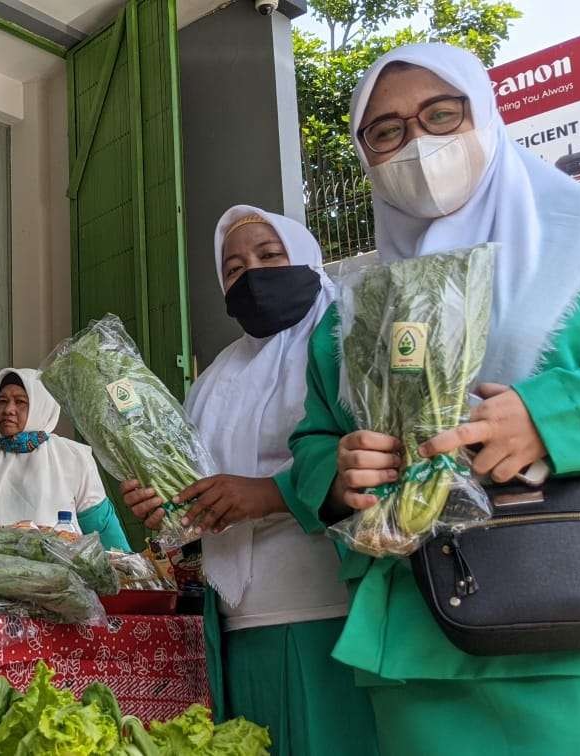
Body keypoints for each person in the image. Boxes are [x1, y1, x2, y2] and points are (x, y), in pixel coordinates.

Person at [288, 43, 580, 756]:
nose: (418, 145)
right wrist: (337, 475)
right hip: (422, 641)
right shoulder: (352, 309)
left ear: (485, 117)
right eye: (387, 131)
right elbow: (312, 438)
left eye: (441, 114)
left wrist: (552, 418)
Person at [121, 206, 377, 755]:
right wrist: (167, 508)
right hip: (234, 620)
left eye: (269, 255)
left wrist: (266, 494)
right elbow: (195, 488)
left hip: (325, 609)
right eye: (234, 268)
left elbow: (366, 450)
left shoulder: (343, 339)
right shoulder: (216, 376)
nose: (252, 274)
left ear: (305, 256)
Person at [0, 368, 130, 550]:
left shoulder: (73, 458)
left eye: (20, 402)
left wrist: (129, 572)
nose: (8, 409)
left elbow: (101, 526)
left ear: (41, 406)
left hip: (63, 581)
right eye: (2, 401)